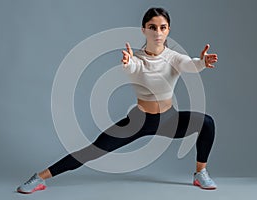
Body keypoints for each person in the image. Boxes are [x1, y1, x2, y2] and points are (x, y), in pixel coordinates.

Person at [17, 7, 218, 194]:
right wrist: (128, 63)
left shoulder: (173, 57)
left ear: (168, 31)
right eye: (152, 27)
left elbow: (190, 64)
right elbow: (133, 68)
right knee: (91, 151)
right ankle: (39, 178)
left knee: (207, 123)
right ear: (144, 30)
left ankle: (200, 174)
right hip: (139, 121)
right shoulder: (136, 58)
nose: (157, 32)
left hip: (168, 120)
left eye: (162, 28)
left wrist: (202, 62)